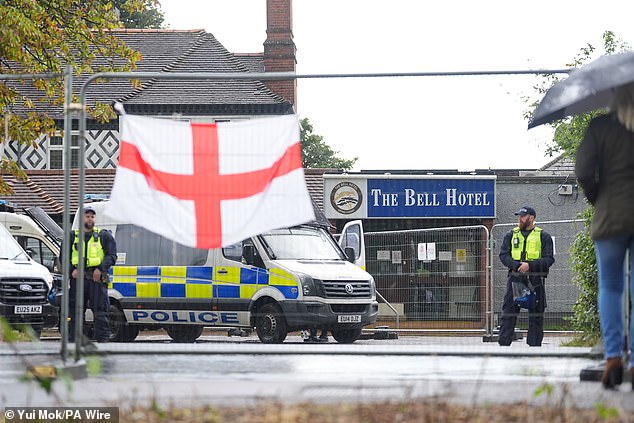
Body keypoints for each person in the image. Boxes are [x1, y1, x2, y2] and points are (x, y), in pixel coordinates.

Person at [575, 82, 634, 390]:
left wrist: (598, 197)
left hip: (610, 217)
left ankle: (613, 358)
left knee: (610, 287)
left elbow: (583, 170)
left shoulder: (600, 126)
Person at [498, 206, 554, 347]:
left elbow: (549, 259)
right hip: (515, 277)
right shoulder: (510, 235)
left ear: (532, 218)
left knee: (536, 313)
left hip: (535, 278)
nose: (520, 219)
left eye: (523, 216)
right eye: (519, 216)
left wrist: (530, 265)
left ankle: (534, 346)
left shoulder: (543, 236)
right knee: (509, 312)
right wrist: (517, 266)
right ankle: (504, 344)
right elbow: (503, 255)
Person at [67, 205, 117, 343]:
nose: (90, 219)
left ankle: (102, 341)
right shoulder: (72, 236)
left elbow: (112, 256)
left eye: (92, 216)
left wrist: (100, 269)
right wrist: (72, 270)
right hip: (78, 279)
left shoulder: (103, 236)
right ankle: (76, 340)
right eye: (87, 216)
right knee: (76, 311)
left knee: (101, 311)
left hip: (96, 279)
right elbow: (64, 257)